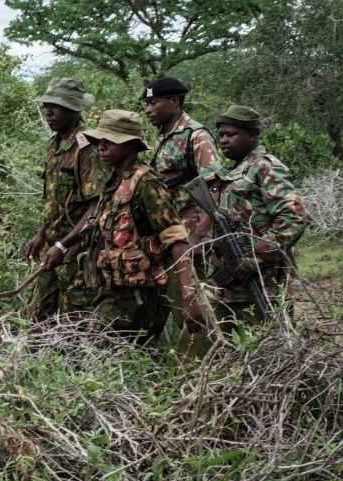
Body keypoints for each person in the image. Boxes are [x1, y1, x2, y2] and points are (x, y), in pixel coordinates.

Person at [44, 110, 202, 341]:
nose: (101, 147)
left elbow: (176, 239)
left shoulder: (146, 184)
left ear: (130, 146)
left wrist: (189, 293)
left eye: (109, 142)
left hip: (140, 296)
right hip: (113, 290)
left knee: (104, 350)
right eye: (100, 141)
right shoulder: (113, 182)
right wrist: (62, 247)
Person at [144, 76, 225, 350]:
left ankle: (207, 360)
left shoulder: (196, 135)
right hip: (170, 234)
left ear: (174, 101)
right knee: (174, 302)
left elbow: (214, 189)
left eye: (154, 103)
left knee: (194, 305)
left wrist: (199, 236)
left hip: (190, 236)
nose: (148, 110)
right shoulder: (164, 136)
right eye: (147, 104)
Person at [212, 104, 307, 323]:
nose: (224, 140)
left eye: (231, 135)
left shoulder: (265, 167)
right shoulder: (234, 171)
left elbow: (294, 216)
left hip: (264, 280)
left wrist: (257, 257)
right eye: (222, 135)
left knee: (268, 335)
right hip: (234, 282)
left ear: (252, 136)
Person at [24, 77, 109, 319]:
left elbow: (97, 205)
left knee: (75, 321)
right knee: (37, 317)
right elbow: (55, 200)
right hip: (53, 247)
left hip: (77, 251)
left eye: (56, 107)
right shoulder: (54, 144)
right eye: (46, 106)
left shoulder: (88, 148)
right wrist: (42, 233)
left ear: (74, 110)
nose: (48, 113)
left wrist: (64, 245)